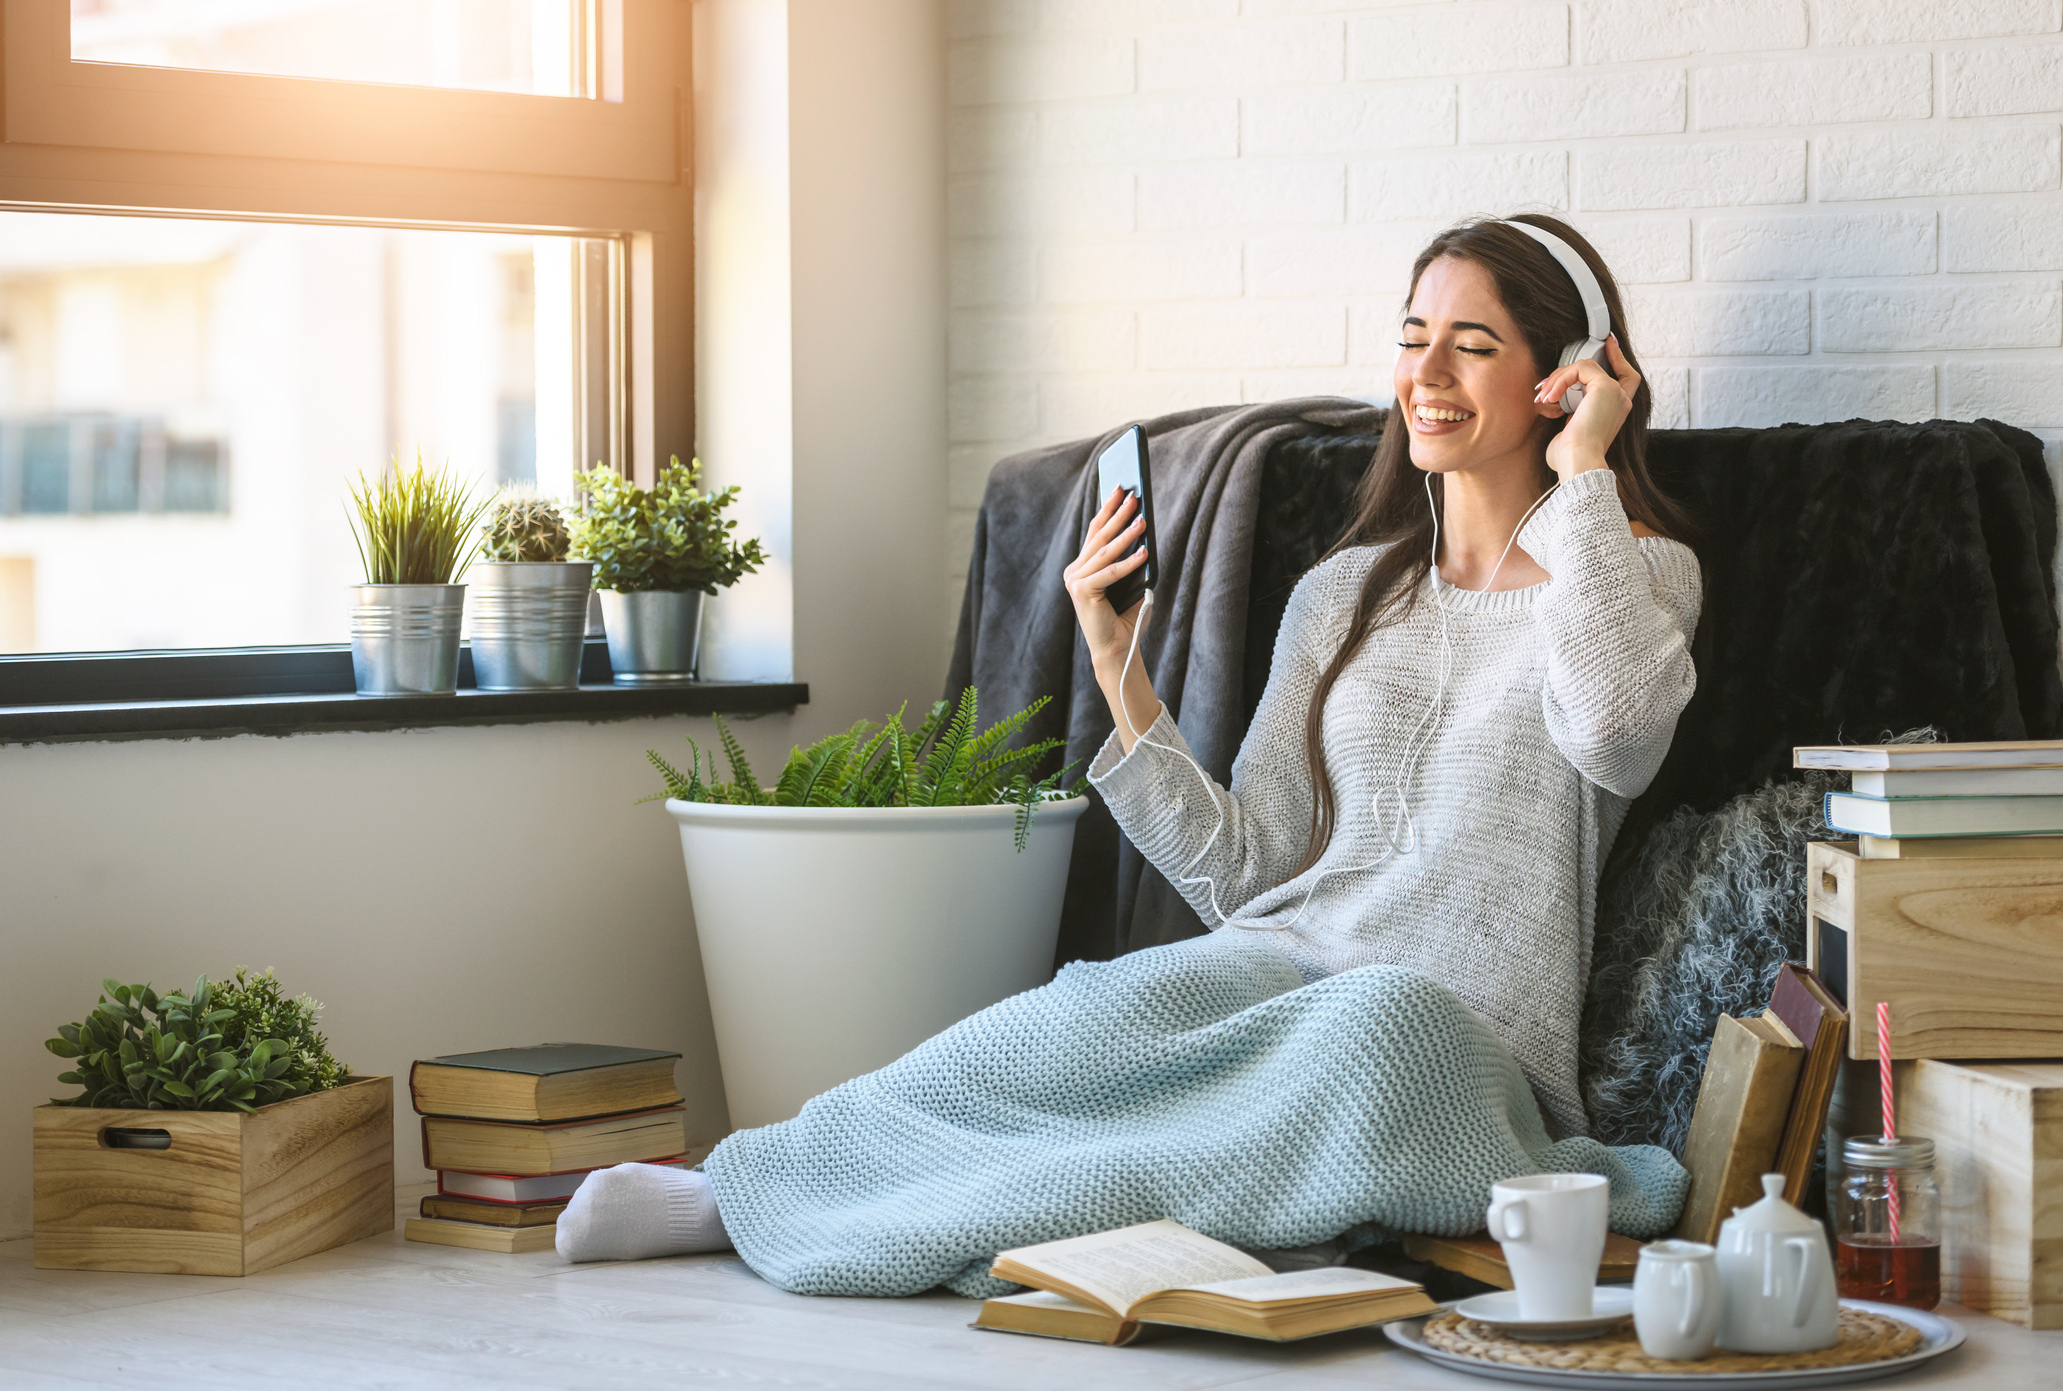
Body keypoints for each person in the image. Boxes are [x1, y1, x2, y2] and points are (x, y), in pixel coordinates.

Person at [555, 213, 1702, 1285]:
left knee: (1378, 1023)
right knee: (1071, 1016)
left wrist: (1584, 474)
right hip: (1276, 970)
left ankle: (910, 1219)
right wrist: (1117, 666)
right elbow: (1248, 873)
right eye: (1412, 341)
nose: (1427, 377)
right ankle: (749, 1185)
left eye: (1472, 346)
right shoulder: (1341, 595)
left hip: (1452, 1042)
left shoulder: (1634, 572)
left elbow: (1616, 735)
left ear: (1565, 374)